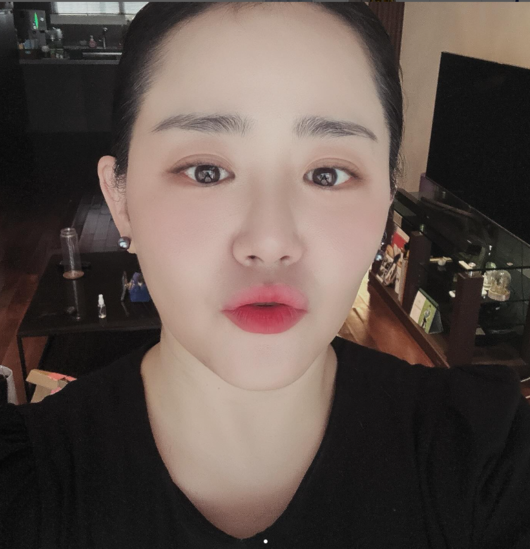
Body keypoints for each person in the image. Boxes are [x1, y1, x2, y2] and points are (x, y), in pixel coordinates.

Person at [1, 3, 530, 548]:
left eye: (328, 174)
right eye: (206, 171)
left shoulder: (485, 455)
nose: (271, 242)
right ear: (120, 198)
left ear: (385, 207)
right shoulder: (23, 488)